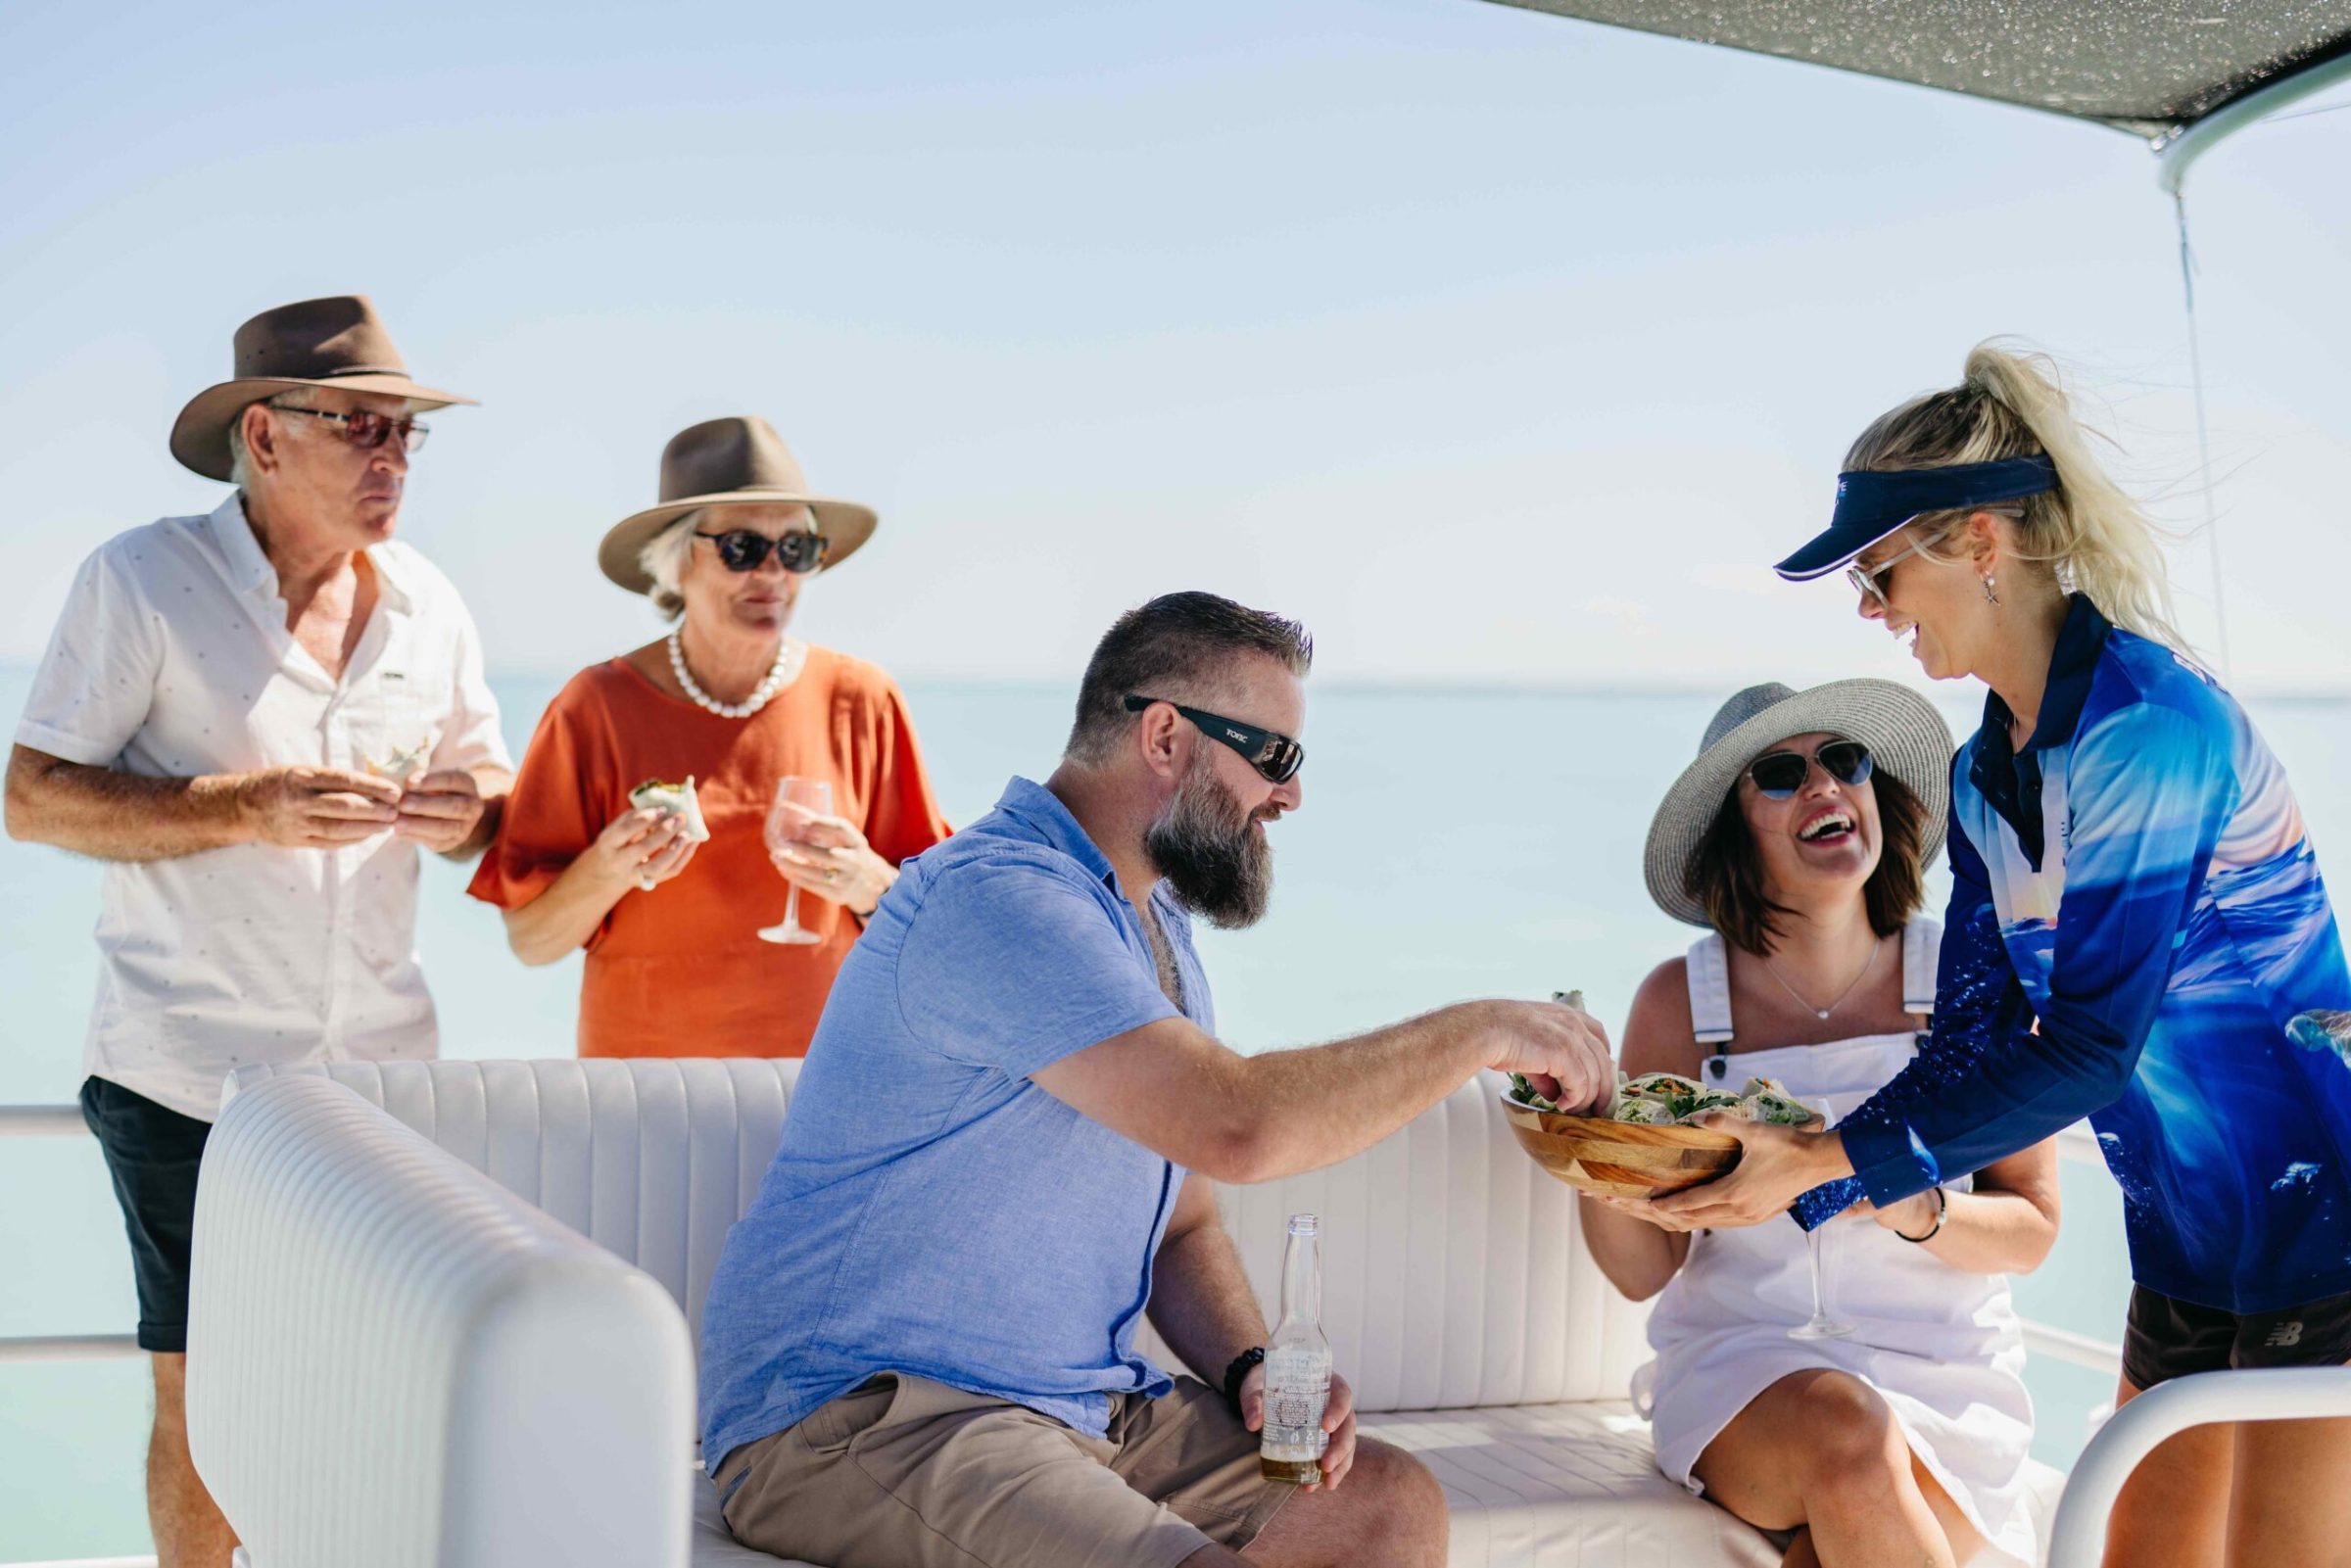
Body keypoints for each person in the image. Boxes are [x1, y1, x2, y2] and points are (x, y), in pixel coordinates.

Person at [696, 591, 1616, 1568]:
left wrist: (1248, 1363)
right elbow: (1240, 1125)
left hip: (1082, 1406)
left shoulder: (1149, 925)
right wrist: (1484, 1029)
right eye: (1275, 755)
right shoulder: (999, 896)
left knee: (1387, 1506)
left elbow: (1184, 1217)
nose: (1290, 793)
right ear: (1168, 736)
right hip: (876, 1416)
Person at [1651, 343, 2351, 1568]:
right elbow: (1975, 1038)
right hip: (2187, 1235)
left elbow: (2084, 1044)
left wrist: (1820, 1161)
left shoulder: (2150, 729)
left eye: (1880, 569)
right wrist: (1803, 1173)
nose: (1870, 607)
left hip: (2325, 1227)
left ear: (1980, 542)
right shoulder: (1988, 772)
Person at [4, 295, 510, 1567]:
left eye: (405, 433)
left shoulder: (433, 605)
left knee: (380, 1394)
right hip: (191, 1075)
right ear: (266, 436)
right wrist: (241, 807)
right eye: (361, 426)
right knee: (200, 1401)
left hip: (384, 1083)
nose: (391, 457)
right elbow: (32, 794)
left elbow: (491, 812)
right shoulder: (143, 580)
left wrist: (466, 816)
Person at [1585, 680, 2055, 1568]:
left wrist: (1892, 1198)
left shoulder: (1970, 983)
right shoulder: (1681, 1003)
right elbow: (1642, 1270)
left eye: (1844, 760)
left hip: (1950, 1385)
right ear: (1735, 833)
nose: (1824, 785)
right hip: (1746, 1379)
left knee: (1832, 1536)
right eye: (1779, 773)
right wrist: (1596, 1142)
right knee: (1847, 1429)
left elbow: (2029, 1228)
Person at [466, 415, 949, 1057]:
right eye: (743, 548)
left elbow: (938, 938)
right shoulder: (594, 707)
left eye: (797, 549)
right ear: (677, 560)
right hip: (644, 1099)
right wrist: (608, 868)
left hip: (823, 1089)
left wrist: (867, 884)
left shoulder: (863, 700)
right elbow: (531, 942)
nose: (773, 574)